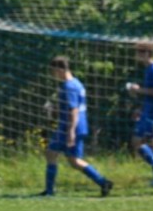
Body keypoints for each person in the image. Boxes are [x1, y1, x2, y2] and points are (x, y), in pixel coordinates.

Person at [40, 56, 114, 197]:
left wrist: (71, 131)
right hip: (72, 126)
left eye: (53, 71)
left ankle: (103, 182)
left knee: (71, 159)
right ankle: (50, 190)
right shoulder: (76, 83)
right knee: (55, 154)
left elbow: (74, 110)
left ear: (60, 69)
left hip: (70, 127)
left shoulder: (69, 87)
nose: (53, 74)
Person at [126, 42, 153, 188]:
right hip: (151, 110)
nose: (136, 55)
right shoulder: (149, 69)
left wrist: (138, 90)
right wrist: (140, 108)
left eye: (138, 52)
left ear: (146, 53)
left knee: (137, 141)